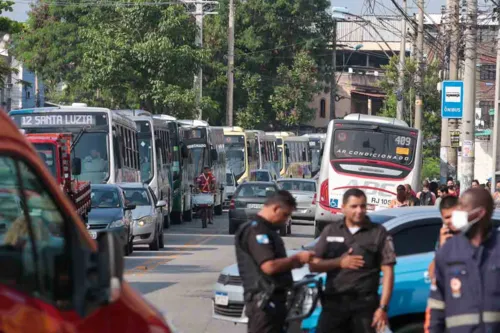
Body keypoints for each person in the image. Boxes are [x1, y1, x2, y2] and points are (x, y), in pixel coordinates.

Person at [309, 188, 396, 333]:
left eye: (363, 206)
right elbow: (313, 265)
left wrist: (383, 308)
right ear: (343, 208)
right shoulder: (331, 230)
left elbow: (388, 272)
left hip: (365, 306)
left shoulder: (378, 232)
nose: (359, 210)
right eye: (354, 206)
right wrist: (339, 262)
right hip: (334, 305)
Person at [235, 190, 314, 333]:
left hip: (274, 302)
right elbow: (268, 266)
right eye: (285, 215)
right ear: (275, 208)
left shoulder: (267, 230)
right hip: (263, 304)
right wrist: (297, 259)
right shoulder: (257, 231)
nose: (286, 220)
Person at [428, 188, 500, 332]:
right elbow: (437, 305)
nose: (457, 212)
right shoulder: (448, 250)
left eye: (463, 207)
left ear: (480, 213)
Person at [423, 196, 459, 333]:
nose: (451, 221)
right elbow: (433, 274)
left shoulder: (474, 237)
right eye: (447, 217)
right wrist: (442, 250)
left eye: (454, 216)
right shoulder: (444, 238)